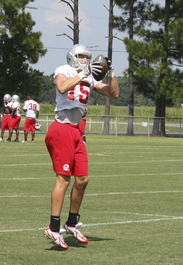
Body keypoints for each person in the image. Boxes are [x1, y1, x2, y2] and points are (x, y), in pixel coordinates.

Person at [44, 44, 119, 249]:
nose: (86, 59)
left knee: (83, 179)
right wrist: (83, 73)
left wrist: (110, 73)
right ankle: (53, 226)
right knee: (63, 180)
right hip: (62, 128)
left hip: (77, 131)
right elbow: (62, 87)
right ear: (73, 57)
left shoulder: (90, 77)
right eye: (82, 56)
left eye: (88, 56)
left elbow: (113, 94)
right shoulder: (64, 70)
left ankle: (72, 223)